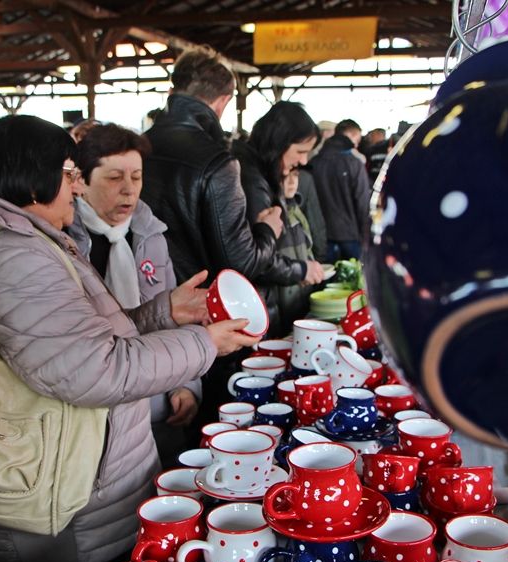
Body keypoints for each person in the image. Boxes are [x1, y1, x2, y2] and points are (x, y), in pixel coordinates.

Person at [0, 114, 258, 562]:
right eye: (70, 173)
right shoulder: (16, 256)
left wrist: (164, 313)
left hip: (72, 483)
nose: (75, 188)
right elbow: (95, 369)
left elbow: (71, 345)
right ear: (36, 177)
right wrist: (206, 344)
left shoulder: (23, 241)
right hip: (66, 500)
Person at [141, 47, 311, 424]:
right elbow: (241, 262)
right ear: (222, 102)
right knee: (209, 425)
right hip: (205, 317)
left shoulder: (142, 147)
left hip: (141, 306)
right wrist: (269, 228)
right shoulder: (216, 161)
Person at [67, 123, 202, 468]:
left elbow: (177, 312)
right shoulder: (66, 242)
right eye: (114, 178)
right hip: (95, 413)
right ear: (80, 181)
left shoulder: (150, 235)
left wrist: (185, 385)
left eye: (137, 177)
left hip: (158, 400)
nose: (129, 191)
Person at [231, 101, 326, 335]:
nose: (304, 162)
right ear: (279, 143)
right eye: (301, 152)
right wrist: (300, 270)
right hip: (254, 307)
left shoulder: (258, 172)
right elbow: (256, 258)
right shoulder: (252, 182)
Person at [310, 118, 373, 262]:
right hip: (351, 236)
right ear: (349, 135)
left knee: (325, 281)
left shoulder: (314, 162)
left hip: (321, 238)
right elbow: (362, 201)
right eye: (356, 140)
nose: (356, 145)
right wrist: (366, 235)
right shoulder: (354, 163)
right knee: (354, 281)